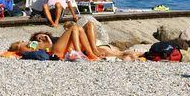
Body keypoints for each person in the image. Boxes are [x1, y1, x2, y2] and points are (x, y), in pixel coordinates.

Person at [10, 22, 143, 61]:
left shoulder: (51, 38)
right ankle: (86, 53)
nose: (20, 40)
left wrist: (46, 37)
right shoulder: (25, 45)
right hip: (56, 49)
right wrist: (22, 45)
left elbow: (50, 42)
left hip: (61, 45)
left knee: (88, 24)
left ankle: (92, 51)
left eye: (40, 35)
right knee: (75, 28)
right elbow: (29, 51)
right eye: (18, 42)